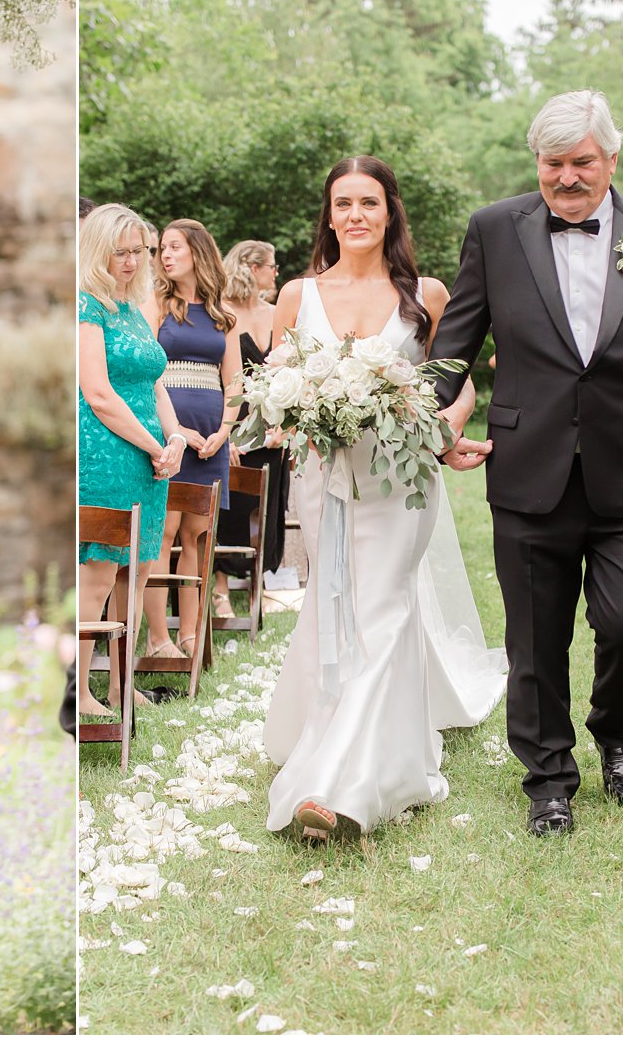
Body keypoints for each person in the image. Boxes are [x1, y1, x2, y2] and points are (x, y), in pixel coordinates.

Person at [431, 90, 623, 837]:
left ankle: (615, 728)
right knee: (534, 637)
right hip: (528, 467)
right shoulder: (495, 230)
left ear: (611, 160)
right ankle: (549, 779)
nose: (567, 178)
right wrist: (424, 423)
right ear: (537, 162)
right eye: (553, 164)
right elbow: (454, 345)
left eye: (582, 163)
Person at [261, 158, 506, 840]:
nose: (356, 215)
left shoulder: (424, 293)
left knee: (386, 605)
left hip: (400, 481)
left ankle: (342, 787)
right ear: (329, 214)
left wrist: (445, 431)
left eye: (369, 202)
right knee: (333, 601)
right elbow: (271, 388)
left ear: (391, 211)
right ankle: (349, 743)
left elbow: (458, 383)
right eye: (343, 203)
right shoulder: (295, 295)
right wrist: (294, 417)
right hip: (322, 477)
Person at [77, 203, 185, 716]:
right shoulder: (85, 305)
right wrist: (151, 444)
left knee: (138, 572)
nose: (131, 261)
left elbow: (156, 383)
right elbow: (98, 393)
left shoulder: (136, 310)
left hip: (150, 454)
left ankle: (122, 684)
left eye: (138, 251)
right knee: (99, 571)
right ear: (98, 250)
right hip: (107, 451)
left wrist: (176, 437)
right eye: (120, 252)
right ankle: (76, 693)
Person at [142, 219, 241, 659]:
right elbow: (146, 370)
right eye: (162, 248)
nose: (165, 255)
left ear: (198, 252)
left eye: (174, 247)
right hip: (169, 428)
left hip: (212, 435)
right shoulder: (157, 304)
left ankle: (191, 631)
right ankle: (158, 635)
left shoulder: (223, 314)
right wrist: (176, 431)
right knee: (163, 532)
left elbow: (234, 379)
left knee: (198, 534)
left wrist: (224, 430)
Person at [213, 240, 288, 617]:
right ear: (252, 268)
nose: (275, 274)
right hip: (234, 428)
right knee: (230, 509)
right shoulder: (220, 312)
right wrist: (225, 433)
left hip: (273, 430)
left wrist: (285, 426)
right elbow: (217, 377)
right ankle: (220, 588)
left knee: (268, 507)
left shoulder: (277, 313)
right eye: (271, 267)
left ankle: (260, 585)